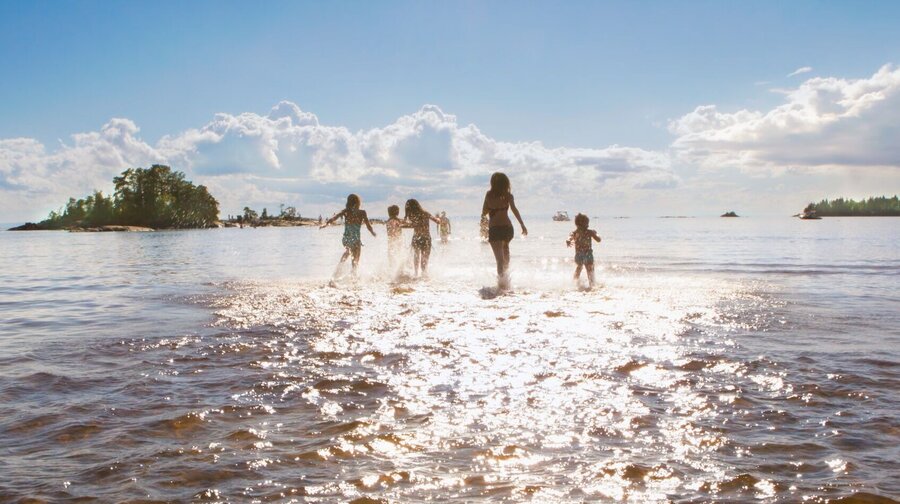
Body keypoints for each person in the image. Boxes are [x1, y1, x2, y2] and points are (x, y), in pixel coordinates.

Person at [481, 172, 527, 289]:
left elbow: (484, 212)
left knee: (499, 260)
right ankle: (506, 282)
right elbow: (514, 210)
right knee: (506, 255)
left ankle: (502, 286)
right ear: (505, 183)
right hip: (507, 228)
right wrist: (522, 225)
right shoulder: (508, 195)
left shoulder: (489, 195)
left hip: (495, 229)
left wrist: (483, 228)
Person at [320, 194, 376, 278]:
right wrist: (372, 232)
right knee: (356, 258)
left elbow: (335, 217)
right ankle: (353, 276)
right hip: (355, 238)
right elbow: (368, 225)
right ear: (358, 202)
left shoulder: (346, 211)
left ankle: (339, 268)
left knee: (348, 252)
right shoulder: (362, 212)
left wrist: (326, 224)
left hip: (346, 238)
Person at [404, 199, 441, 278]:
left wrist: (401, 226)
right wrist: (438, 218)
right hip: (426, 238)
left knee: (416, 256)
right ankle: (424, 277)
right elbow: (437, 221)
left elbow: (412, 225)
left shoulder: (412, 215)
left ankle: (416, 274)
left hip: (416, 238)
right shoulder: (425, 213)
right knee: (424, 260)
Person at [566, 213, 602, 288]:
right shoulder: (590, 232)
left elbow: (569, 237)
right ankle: (592, 285)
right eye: (587, 224)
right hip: (588, 254)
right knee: (590, 269)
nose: (588, 225)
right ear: (582, 224)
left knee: (579, 268)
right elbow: (599, 240)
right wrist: (596, 233)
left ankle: (574, 283)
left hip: (579, 255)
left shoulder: (575, 232)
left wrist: (568, 240)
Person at [385, 204, 403, 273]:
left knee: (391, 258)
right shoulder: (395, 220)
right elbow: (395, 227)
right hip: (396, 241)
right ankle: (396, 273)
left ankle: (392, 272)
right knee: (397, 256)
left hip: (390, 241)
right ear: (396, 212)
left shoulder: (389, 220)